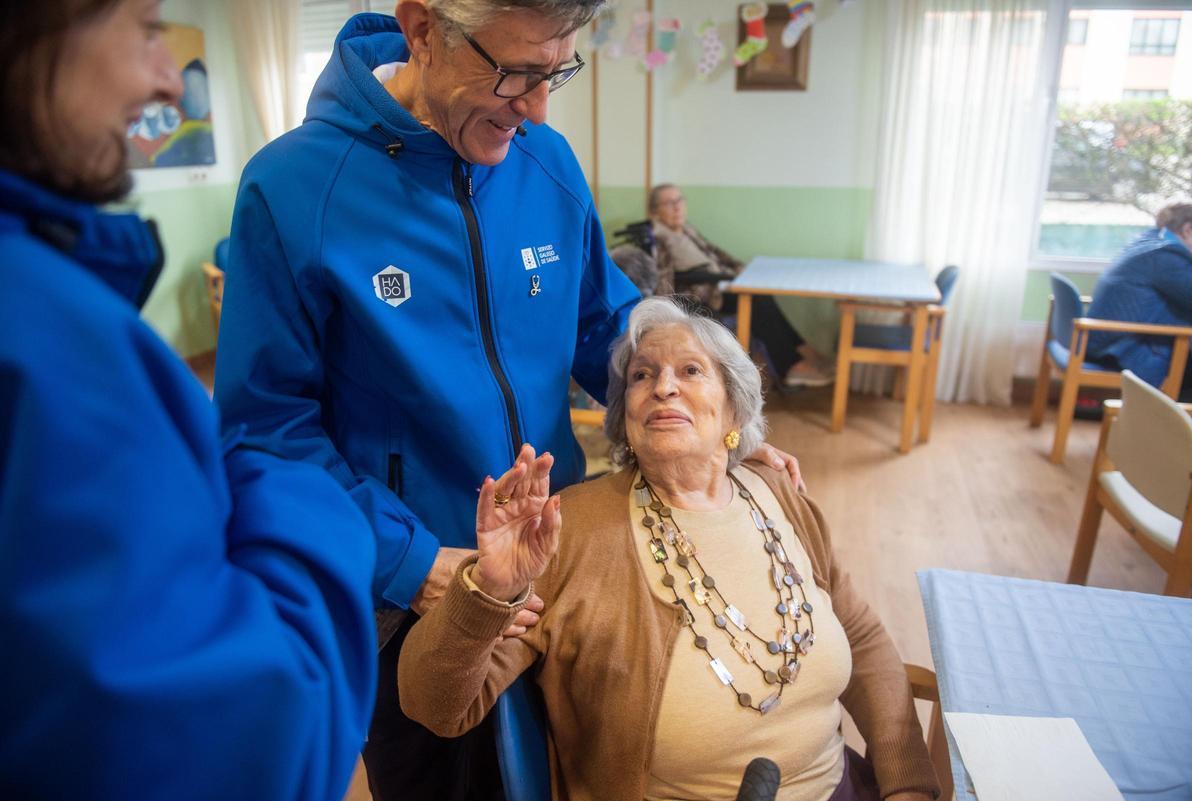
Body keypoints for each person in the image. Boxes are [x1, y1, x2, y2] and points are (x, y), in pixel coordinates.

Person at [213, 3, 803, 801]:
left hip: (559, 558)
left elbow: (605, 324)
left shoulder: (547, 160)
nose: (536, 108)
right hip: (410, 589)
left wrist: (711, 421)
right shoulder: (292, 189)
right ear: (423, 30)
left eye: (554, 71)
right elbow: (264, 434)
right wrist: (410, 561)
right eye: (513, 72)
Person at [0, 1, 377, 799]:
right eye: (143, 26)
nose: (171, 75)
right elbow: (251, 742)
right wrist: (300, 495)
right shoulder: (48, 342)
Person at [398, 297, 940, 801]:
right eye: (642, 375)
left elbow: (863, 640)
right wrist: (489, 589)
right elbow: (435, 706)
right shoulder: (569, 531)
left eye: (690, 370)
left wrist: (907, 783)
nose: (663, 387)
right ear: (624, 420)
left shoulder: (778, 494)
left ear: (733, 413)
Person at [648, 183, 835, 388]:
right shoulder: (660, 238)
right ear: (655, 211)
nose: (677, 207)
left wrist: (742, 269)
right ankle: (791, 366)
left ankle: (804, 352)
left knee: (762, 294)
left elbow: (716, 253)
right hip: (704, 296)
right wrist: (669, 316)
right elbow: (664, 282)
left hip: (721, 283)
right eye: (669, 203)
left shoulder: (686, 229)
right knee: (756, 300)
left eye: (679, 200)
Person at [1085, 203, 1192, 401]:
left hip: (1106, 340)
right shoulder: (1167, 255)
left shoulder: (1150, 241)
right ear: (1188, 230)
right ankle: (1173, 428)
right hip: (1123, 349)